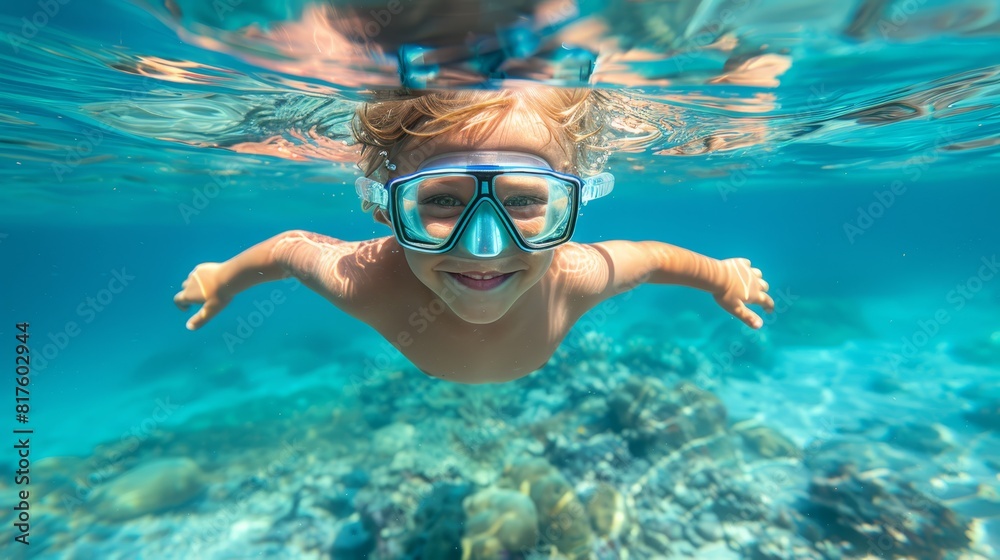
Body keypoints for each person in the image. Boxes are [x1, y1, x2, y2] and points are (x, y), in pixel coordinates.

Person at [173, 87, 774, 383]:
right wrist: (222, 279)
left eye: (524, 202)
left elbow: (651, 258)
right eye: (438, 201)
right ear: (385, 210)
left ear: (573, 209)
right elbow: (287, 251)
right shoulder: (366, 283)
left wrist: (721, 275)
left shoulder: (571, 277)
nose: (484, 246)